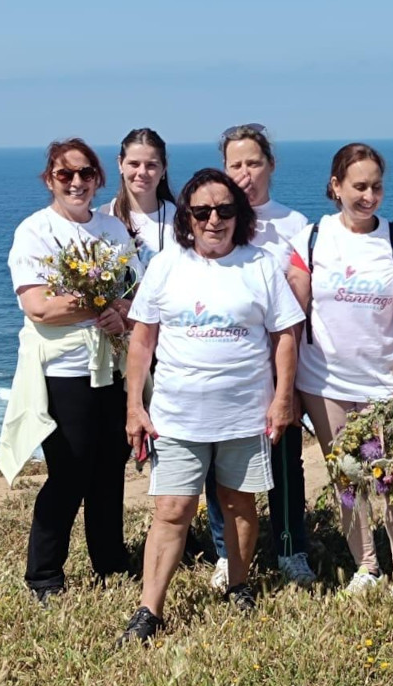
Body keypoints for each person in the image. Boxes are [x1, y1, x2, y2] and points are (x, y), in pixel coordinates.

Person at [118, 168, 303, 645]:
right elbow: (142, 340)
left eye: (224, 210)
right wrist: (135, 407)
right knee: (172, 509)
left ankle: (238, 587)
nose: (214, 219)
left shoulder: (260, 264)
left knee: (239, 503)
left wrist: (283, 398)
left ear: (239, 215)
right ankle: (148, 610)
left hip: (245, 411)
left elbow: (286, 335)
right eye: (202, 211)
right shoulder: (166, 264)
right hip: (177, 415)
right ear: (187, 218)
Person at [0, 138, 140, 604]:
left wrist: (120, 308)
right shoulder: (35, 231)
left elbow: (136, 288)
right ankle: (44, 574)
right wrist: (96, 302)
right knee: (70, 470)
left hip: (113, 366)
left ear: (99, 179)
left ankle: (111, 562)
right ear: (50, 180)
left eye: (85, 174)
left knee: (110, 468)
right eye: (65, 174)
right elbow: (38, 305)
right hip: (64, 370)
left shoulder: (113, 230)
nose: (76, 182)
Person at [287, 143, 393, 597]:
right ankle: (365, 566)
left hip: (386, 383)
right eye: (359, 186)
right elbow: (291, 309)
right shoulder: (311, 238)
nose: (368, 195)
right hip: (324, 382)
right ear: (336, 187)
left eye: (376, 186)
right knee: (348, 477)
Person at [200, 123, 314, 591]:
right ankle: (226, 554)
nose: (245, 173)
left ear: (270, 165)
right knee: (219, 462)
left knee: (285, 460)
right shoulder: (211, 220)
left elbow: (304, 297)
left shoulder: (295, 225)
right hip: (226, 367)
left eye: (253, 162)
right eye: (235, 164)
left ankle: (291, 548)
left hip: (278, 363)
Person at [98, 128, 177, 265]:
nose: (142, 172)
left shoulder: (180, 220)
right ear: (120, 164)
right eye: (134, 164)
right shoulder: (102, 217)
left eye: (151, 165)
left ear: (164, 168)